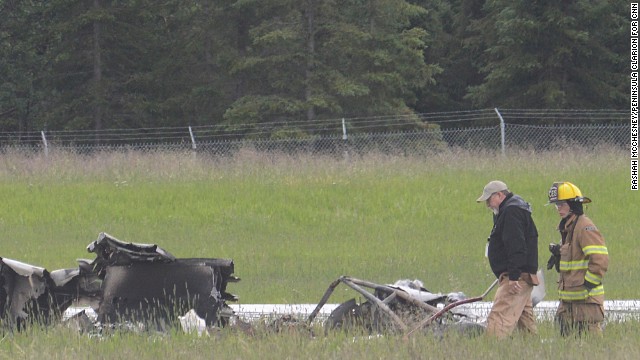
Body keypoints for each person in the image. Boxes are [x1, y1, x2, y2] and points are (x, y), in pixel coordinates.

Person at [476, 180, 539, 338]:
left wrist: (513, 276)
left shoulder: (511, 212)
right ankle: (534, 352)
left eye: (489, 200)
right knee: (526, 326)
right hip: (521, 276)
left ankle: (491, 352)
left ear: (499, 195)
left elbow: (516, 246)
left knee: (499, 320)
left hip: (517, 278)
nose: (488, 205)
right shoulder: (511, 210)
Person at [546, 181, 608, 337]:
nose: (558, 208)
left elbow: (600, 259)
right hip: (568, 305)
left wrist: (587, 285)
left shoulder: (585, 227)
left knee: (592, 350)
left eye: (561, 204)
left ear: (573, 204)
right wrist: (559, 255)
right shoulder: (568, 229)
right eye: (556, 205)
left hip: (586, 305)